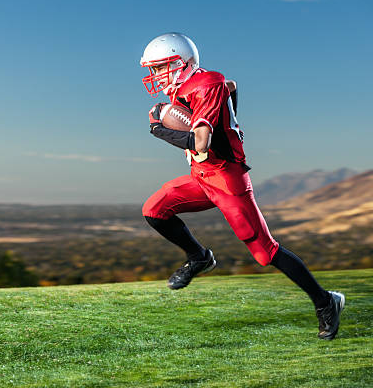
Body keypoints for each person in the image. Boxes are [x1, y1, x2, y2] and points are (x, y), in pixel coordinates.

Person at [139, 32, 345, 340]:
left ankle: (326, 301)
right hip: (202, 177)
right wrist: (231, 118)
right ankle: (199, 257)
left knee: (265, 251)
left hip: (226, 179)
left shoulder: (206, 83)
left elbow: (200, 144)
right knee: (154, 210)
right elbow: (231, 87)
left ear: (183, 63)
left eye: (160, 67)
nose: (156, 75)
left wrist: (159, 129)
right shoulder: (196, 85)